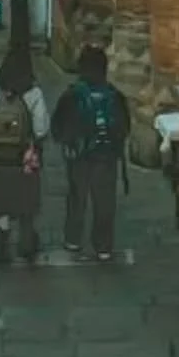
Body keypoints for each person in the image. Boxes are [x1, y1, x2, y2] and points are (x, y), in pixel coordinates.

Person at [0, 46, 51, 264]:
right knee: (25, 199)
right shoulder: (33, 93)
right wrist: (34, 145)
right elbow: (42, 127)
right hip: (24, 155)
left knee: (2, 200)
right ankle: (26, 242)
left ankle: (2, 236)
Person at [51, 45, 131, 260]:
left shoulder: (73, 94)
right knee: (104, 201)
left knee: (77, 198)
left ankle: (73, 240)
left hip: (79, 155)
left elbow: (58, 123)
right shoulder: (114, 95)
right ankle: (103, 246)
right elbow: (124, 126)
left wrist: (65, 141)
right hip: (106, 156)